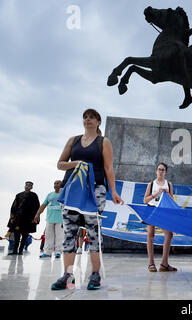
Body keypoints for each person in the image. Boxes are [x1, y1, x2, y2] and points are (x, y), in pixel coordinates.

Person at [51, 108, 124, 290]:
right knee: (70, 233)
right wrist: (76, 163)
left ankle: (95, 274)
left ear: (98, 122)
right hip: (72, 190)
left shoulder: (103, 142)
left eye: (92, 117)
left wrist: (113, 192)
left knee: (93, 233)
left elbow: (108, 169)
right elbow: (60, 164)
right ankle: (68, 275)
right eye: (85, 117)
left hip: (95, 190)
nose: (87, 119)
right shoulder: (73, 141)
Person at [143, 162, 177, 272]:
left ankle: (164, 263)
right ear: (156, 171)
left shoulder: (169, 184)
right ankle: (151, 263)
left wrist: (167, 193)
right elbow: (145, 200)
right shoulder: (151, 184)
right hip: (152, 209)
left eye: (163, 170)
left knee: (169, 234)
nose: (161, 171)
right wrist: (156, 193)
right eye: (159, 169)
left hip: (163, 211)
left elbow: (172, 200)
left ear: (166, 172)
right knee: (150, 235)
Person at [33, 180, 64, 259]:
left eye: (57, 183)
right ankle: (47, 252)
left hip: (60, 219)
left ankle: (58, 252)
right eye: (54, 183)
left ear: (61, 185)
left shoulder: (64, 194)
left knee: (59, 237)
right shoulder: (49, 195)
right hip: (50, 219)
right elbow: (43, 205)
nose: (55, 185)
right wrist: (37, 214)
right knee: (48, 236)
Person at [8, 181, 40, 255]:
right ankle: (15, 251)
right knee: (16, 234)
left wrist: (35, 218)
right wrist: (12, 217)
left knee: (25, 235)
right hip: (18, 217)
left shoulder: (34, 196)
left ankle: (21, 251)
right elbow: (13, 206)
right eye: (26, 185)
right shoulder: (18, 195)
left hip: (28, 218)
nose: (27, 186)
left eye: (29, 185)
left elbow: (36, 207)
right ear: (24, 186)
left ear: (31, 187)